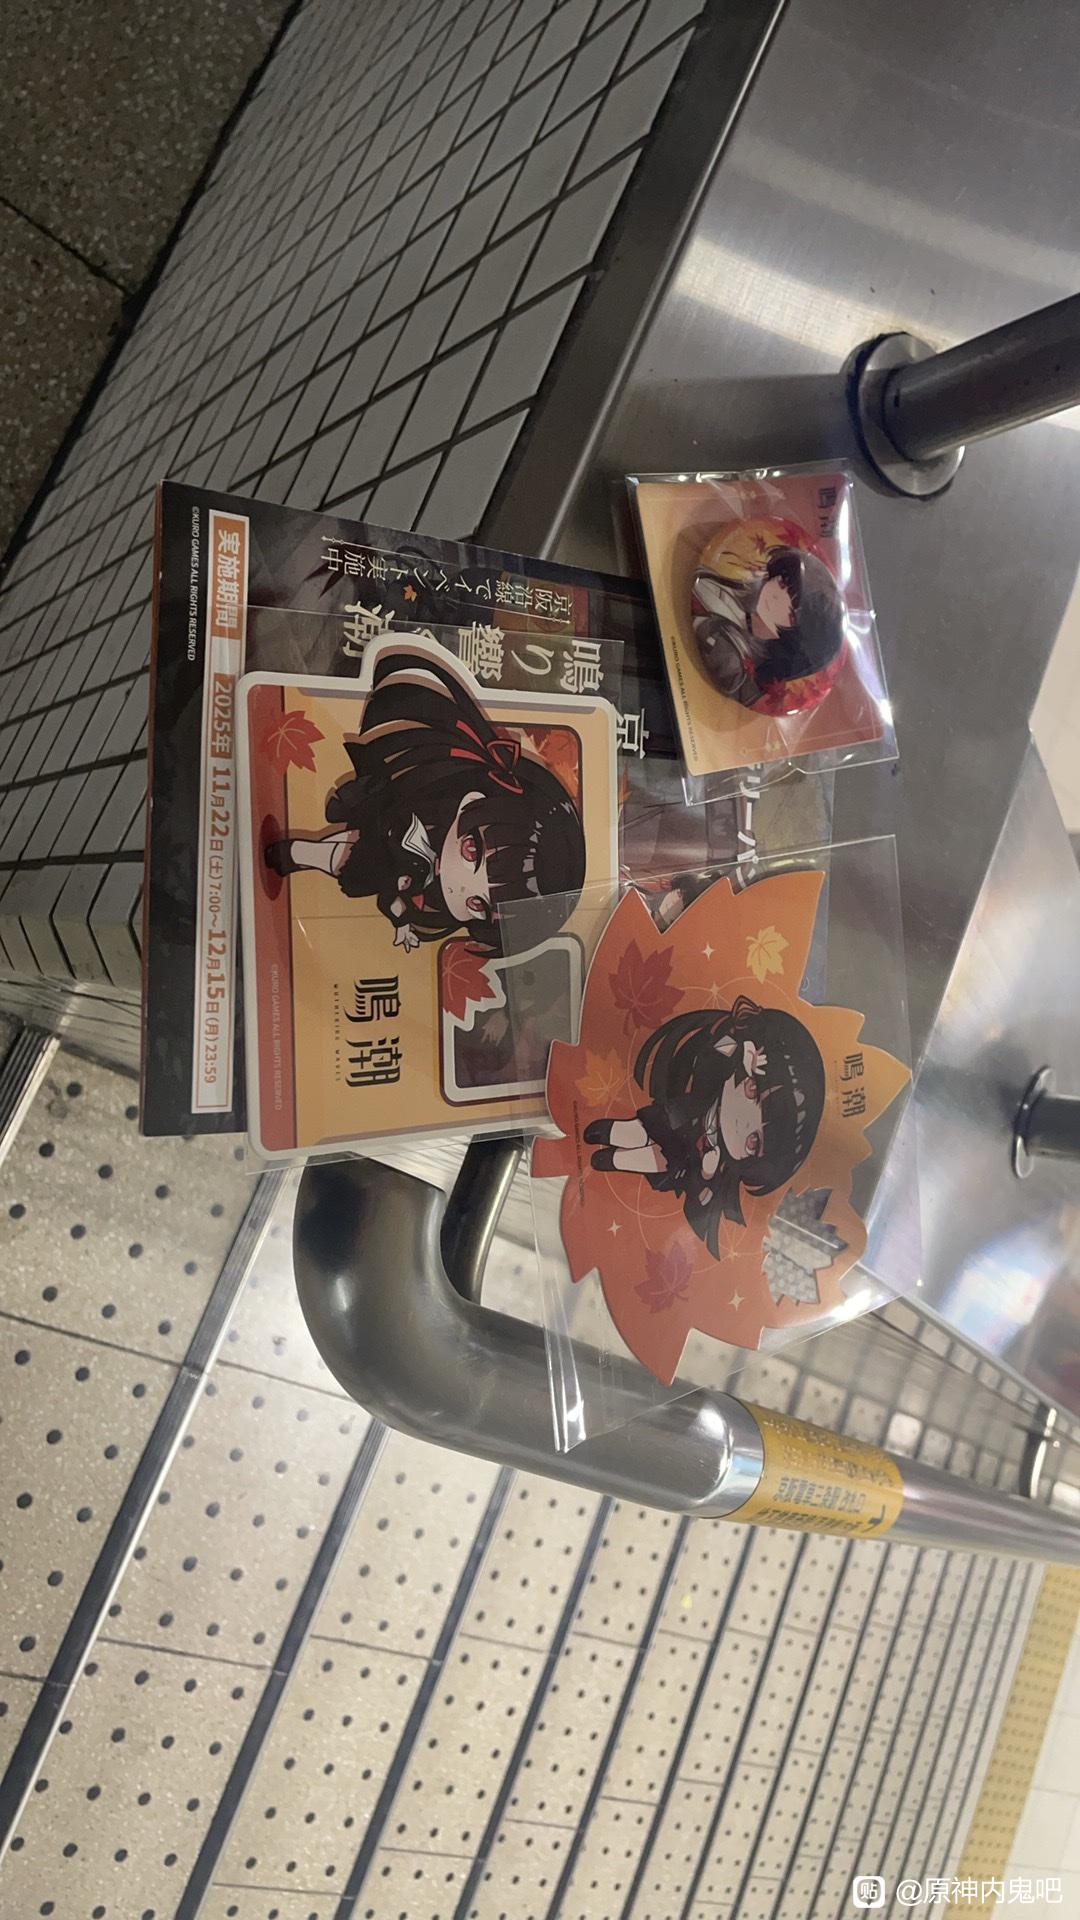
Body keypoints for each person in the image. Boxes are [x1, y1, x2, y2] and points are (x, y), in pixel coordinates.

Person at [265, 649, 586, 954]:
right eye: (471, 850)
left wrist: (402, 920)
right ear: (472, 800)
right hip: (376, 831)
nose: (459, 885)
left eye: (477, 904)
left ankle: (298, 855)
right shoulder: (425, 813)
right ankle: (296, 853)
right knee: (343, 850)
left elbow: (392, 901)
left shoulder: (425, 886)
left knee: (345, 865)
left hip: (372, 869)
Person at [584, 996, 825, 1255]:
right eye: (752, 1090)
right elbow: (714, 1050)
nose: (743, 1122)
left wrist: (707, 1174)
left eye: (753, 1140)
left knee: (660, 1161)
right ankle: (614, 1133)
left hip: (679, 1162)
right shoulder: (712, 1083)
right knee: (647, 1128)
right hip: (679, 1117)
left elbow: (698, 1207)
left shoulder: (718, 1170)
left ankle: (614, 1160)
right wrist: (741, 1050)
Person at [691, 543, 845, 714]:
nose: (775, 597)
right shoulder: (726, 587)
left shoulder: (737, 662)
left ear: (796, 637)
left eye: (791, 613)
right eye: (782, 584)